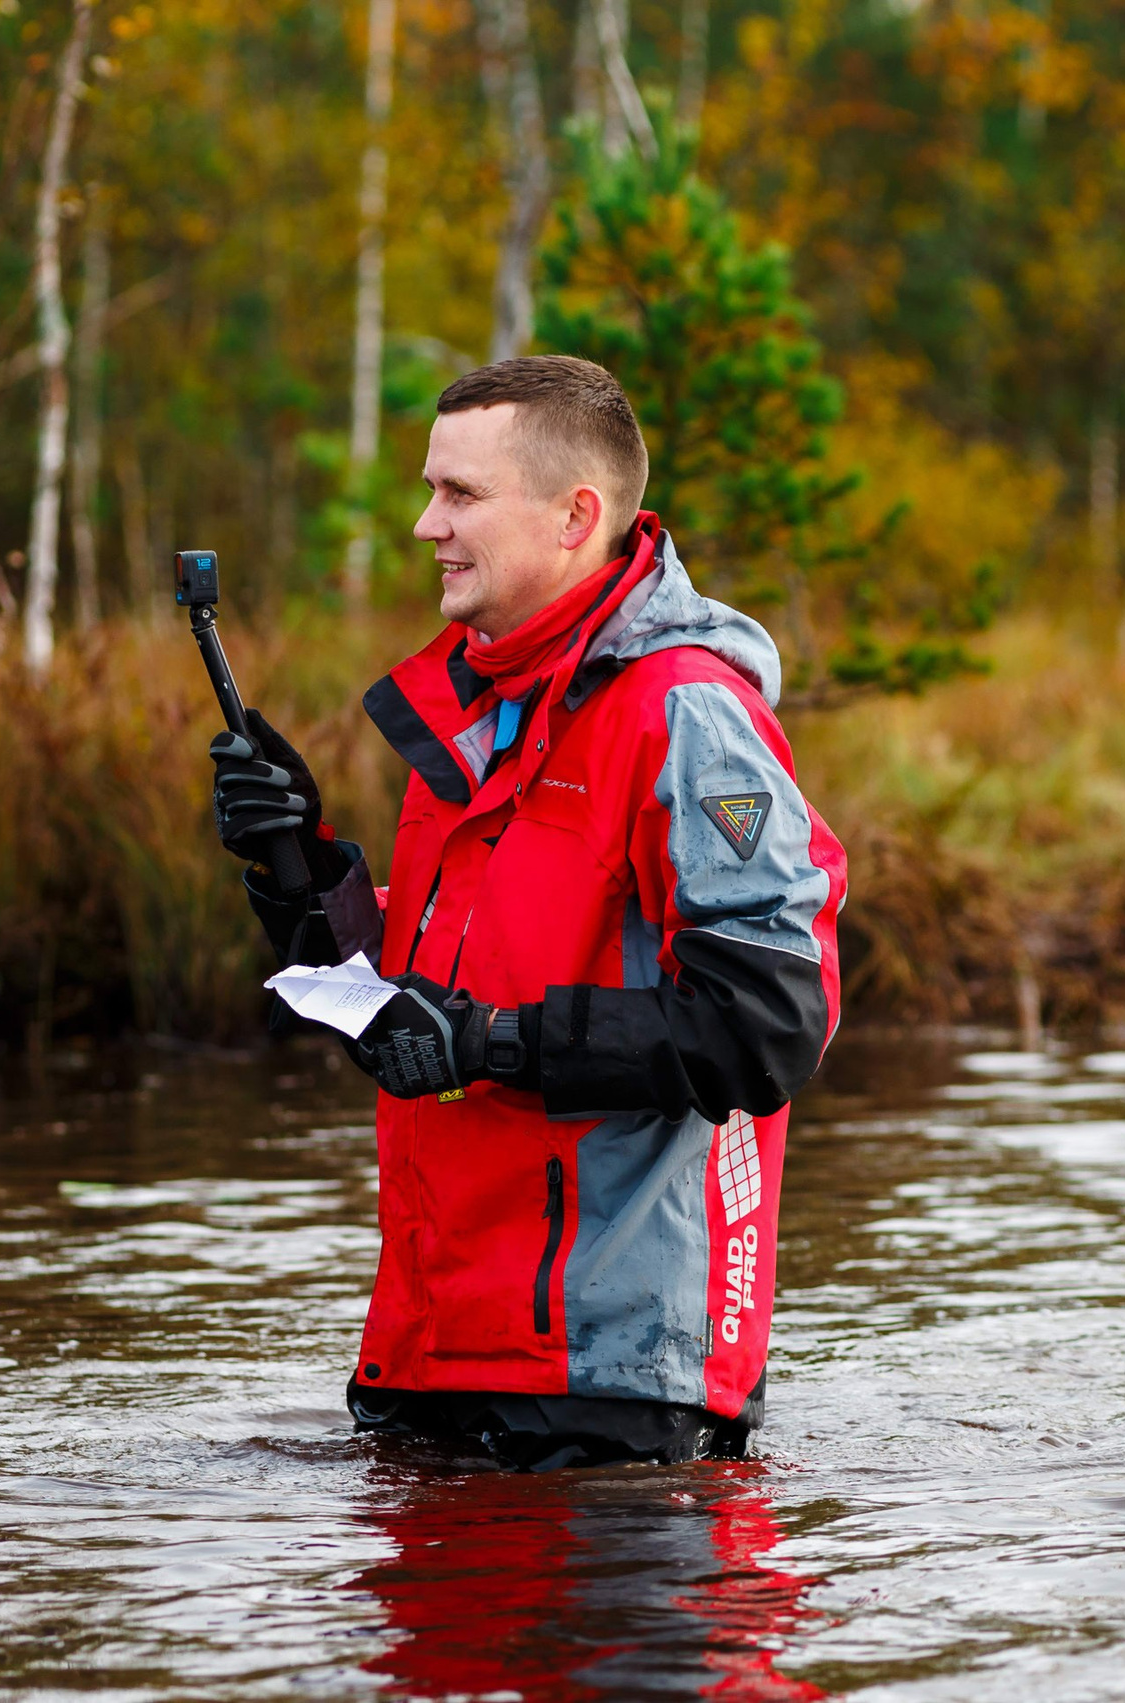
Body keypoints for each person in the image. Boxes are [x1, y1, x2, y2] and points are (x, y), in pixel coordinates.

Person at [208, 356, 846, 1470]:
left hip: (609, 1382)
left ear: (575, 517)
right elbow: (411, 1008)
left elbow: (766, 1026)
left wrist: (489, 1041)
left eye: (460, 494)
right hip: (435, 1346)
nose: (426, 525)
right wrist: (297, 868)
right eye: (431, 490)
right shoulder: (482, 709)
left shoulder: (687, 715)